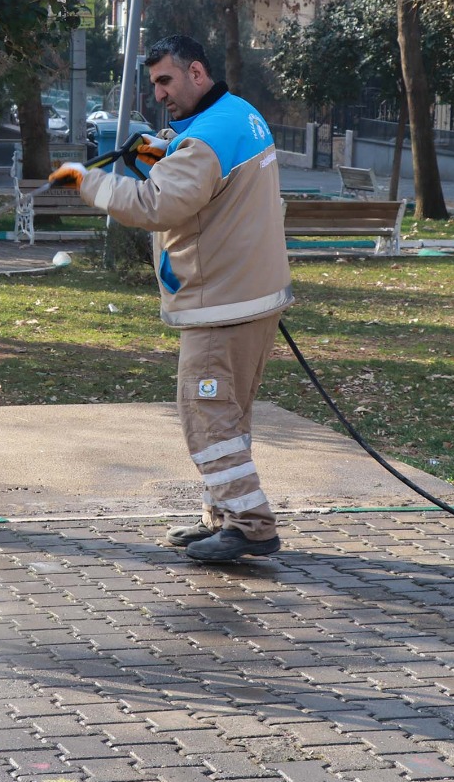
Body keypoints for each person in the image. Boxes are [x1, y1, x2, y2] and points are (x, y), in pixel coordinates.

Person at [51, 36, 292, 562]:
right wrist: (161, 151)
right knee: (226, 415)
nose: (159, 94)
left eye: (166, 81)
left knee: (205, 412)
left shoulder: (206, 139)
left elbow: (156, 206)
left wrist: (86, 182)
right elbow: (207, 184)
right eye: (154, 82)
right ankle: (223, 518)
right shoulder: (239, 116)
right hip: (250, 295)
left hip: (222, 303)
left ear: (197, 73)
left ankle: (250, 525)